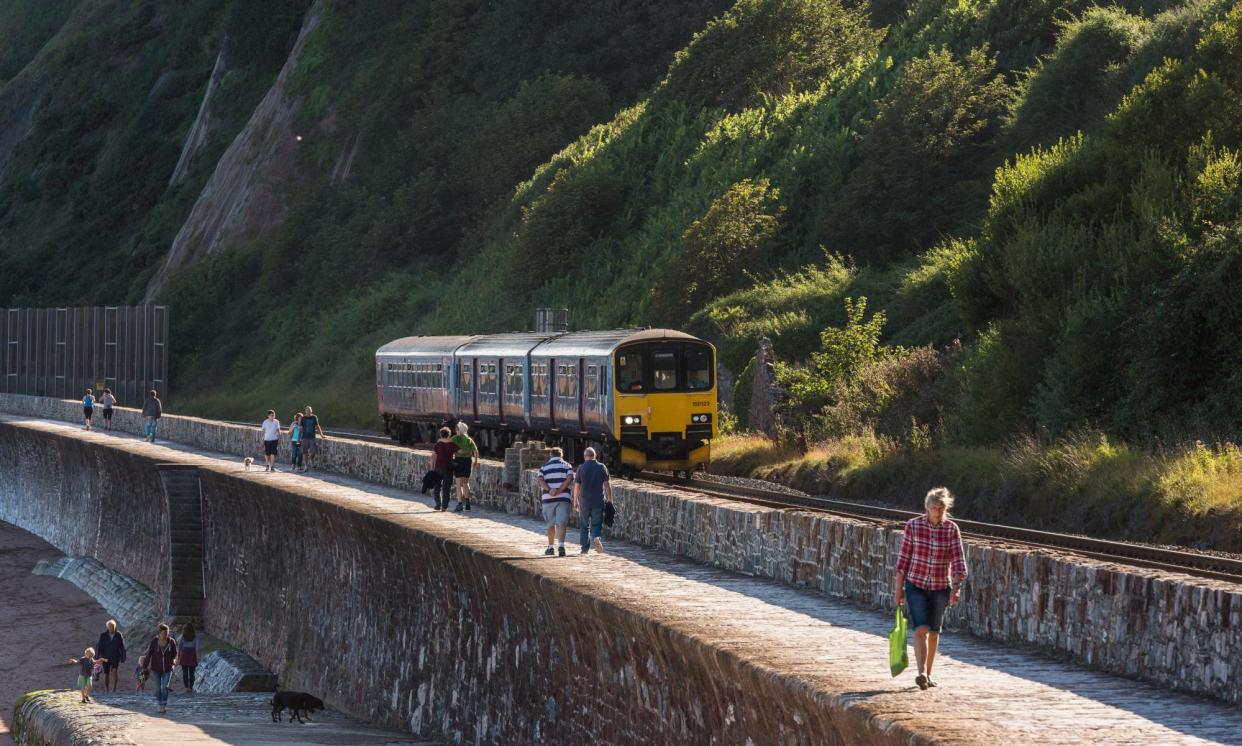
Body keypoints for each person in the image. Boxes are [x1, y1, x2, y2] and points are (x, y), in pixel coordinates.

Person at [894, 487, 968, 690]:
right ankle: (921, 673)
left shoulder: (952, 529)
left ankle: (928, 672)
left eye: (942, 508)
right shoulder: (913, 526)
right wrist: (898, 590)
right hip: (916, 585)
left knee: (934, 632)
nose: (938, 512)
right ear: (927, 507)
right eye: (934, 508)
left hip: (940, 587)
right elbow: (903, 560)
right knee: (921, 629)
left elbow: (958, 561)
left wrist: (956, 589)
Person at [573, 447, 613, 555]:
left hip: (584, 502)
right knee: (596, 523)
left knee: (584, 525)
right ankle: (596, 537)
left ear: (585, 456)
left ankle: (584, 548)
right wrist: (610, 499)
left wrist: (575, 500)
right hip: (598, 501)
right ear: (595, 456)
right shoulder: (601, 467)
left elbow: (577, 486)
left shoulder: (581, 468)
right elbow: (607, 484)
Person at [538, 447, 574, 556]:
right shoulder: (567, 466)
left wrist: (550, 490)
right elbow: (570, 478)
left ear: (551, 455)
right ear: (561, 455)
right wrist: (560, 490)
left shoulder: (543, 467)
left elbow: (540, 480)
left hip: (548, 499)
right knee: (561, 523)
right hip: (563, 498)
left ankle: (550, 548)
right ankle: (561, 546)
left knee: (550, 524)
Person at [143, 623, 179, 713]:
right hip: (156, 669)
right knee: (158, 689)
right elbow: (149, 654)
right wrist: (145, 666)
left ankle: (163, 705)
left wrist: (173, 661)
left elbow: (175, 653)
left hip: (167, 668)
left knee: (165, 687)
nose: (165, 635)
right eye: (163, 633)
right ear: (159, 633)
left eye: (166, 633)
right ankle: (160, 703)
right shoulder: (154, 641)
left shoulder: (171, 642)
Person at [451, 422, 479, 512]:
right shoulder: (469, 439)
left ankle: (459, 504)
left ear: (461, 430)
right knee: (465, 483)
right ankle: (467, 503)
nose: (455, 431)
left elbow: (449, 447)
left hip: (458, 462)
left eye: (457, 429)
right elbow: (476, 451)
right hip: (467, 462)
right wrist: (475, 461)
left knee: (458, 484)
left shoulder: (454, 438)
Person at [431, 427, 457, 511]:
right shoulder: (452, 444)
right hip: (448, 468)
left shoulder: (437, 444)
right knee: (446, 489)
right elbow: (460, 451)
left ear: (440, 435)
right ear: (449, 435)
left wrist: (432, 468)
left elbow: (433, 457)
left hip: (438, 467)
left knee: (437, 487)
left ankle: (438, 503)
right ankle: (444, 507)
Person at [96, 619, 126, 692]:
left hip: (115, 657)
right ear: (107, 627)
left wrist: (123, 657)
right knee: (106, 673)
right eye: (109, 626)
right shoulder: (103, 635)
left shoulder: (118, 635)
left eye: (112, 626)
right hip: (105, 657)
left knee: (114, 671)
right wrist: (97, 656)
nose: (111, 628)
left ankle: (114, 689)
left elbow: (122, 646)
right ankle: (107, 689)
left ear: (114, 626)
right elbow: (99, 646)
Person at [299, 405, 325, 472]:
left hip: (312, 437)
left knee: (314, 451)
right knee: (305, 452)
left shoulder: (314, 417)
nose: (308, 411)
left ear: (311, 411)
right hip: (304, 437)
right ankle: (306, 466)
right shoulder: (303, 418)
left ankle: (311, 459)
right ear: (305, 411)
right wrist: (299, 438)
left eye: (309, 410)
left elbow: (317, 426)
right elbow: (301, 429)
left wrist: (321, 435)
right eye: (307, 410)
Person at [177, 622, 199, 694]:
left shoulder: (182, 637)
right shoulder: (195, 638)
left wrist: (178, 657)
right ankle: (191, 687)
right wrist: (198, 657)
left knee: (185, 673)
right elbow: (197, 648)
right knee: (192, 673)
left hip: (184, 656)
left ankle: (186, 687)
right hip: (192, 656)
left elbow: (179, 648)